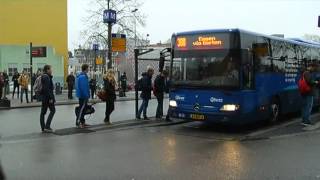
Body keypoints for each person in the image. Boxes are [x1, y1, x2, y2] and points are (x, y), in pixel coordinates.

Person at [39, 65, 56, 133]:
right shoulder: (46, 77)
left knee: (43, 113)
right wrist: (51, 98)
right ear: (47, 70)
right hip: (47, 98)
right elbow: (47, 89)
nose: (51, 70)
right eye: (50, 69)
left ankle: (43, 127)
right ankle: (47, 126)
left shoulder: (44, 76)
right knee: (53, 110)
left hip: (44, 97)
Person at [76, 64, 90, 128]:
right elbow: (83, 87)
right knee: (81, 110)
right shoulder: (83, 77)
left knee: (83, 109)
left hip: (82, 95)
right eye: (88, 68)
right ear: (86, 69)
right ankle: (78, 123)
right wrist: (86, 95)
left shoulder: (82, 76)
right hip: (83, 96)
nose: (88, 69)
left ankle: (83, 122)